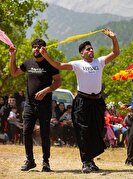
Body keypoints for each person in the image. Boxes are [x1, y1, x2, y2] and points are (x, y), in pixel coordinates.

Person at [40, 28, 120, 173]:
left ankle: (91, 160)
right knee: (83, 131)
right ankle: (85, 162)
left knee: (97, 130)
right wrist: (46, 56)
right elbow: (59, 65)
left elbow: (115, 53)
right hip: (82, 102)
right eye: (88, 49)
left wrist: (113, 38)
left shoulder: (99, 62)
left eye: (91, 49)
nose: (91, 51)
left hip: (97, 102)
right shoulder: (77, 64)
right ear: (82, 53)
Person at [9, 39, 61, 172]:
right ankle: (30, 161)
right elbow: (14, 73)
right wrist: (12, 56)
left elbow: (57, 82)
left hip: (44, 105)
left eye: (39, 47)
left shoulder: (50, 64)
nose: (36, 49)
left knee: (44, 133)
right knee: (26, 132)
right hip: (30, 105)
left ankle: (45, 162)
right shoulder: (28, 63)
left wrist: (46, 91)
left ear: (44, 49)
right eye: (34, 47)